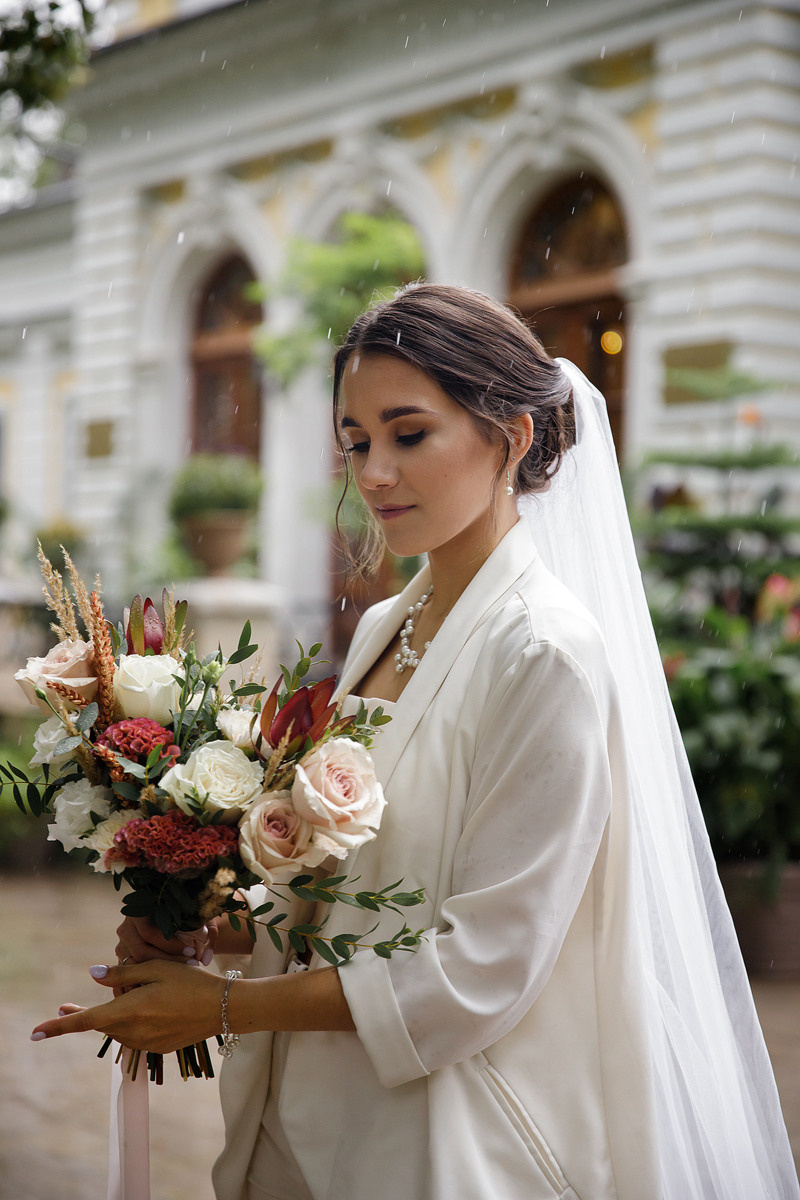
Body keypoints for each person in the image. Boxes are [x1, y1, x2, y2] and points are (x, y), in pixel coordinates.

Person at [32, 284, 799, 1200]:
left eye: (408, 433)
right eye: (355, 441)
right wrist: (205, 930)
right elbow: (348, 894)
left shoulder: (545, 654)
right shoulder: (387, 626)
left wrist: (227, 1008)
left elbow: (482, 967)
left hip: (448, 1133)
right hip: (311, 1117)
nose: (374, 473)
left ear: (511, 437)